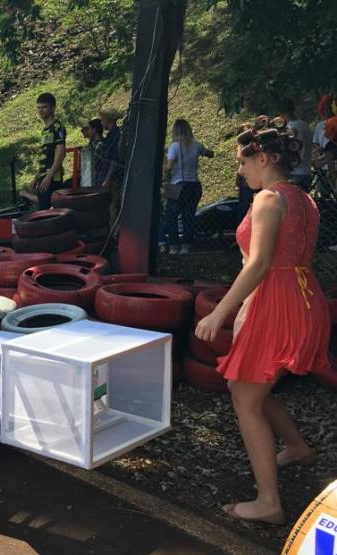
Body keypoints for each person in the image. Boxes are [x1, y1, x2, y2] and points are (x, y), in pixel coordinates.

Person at [195, 118, 330, 525]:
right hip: (305, 300)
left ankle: (269, 502)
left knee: (244, 399)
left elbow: (258, 265)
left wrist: (221, 312)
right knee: (247, 386)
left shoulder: (268, 199)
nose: (240, 170)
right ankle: (297, 447)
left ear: (266, 158)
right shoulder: (304, 199)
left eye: (243, 162)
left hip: (278, 304)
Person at [160, 118, 214, 255]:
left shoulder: (174, 147)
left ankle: (173, 246)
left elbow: (170, 166)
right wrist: (206, 153)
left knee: (171, 216)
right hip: (194, 185)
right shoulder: (196, 145)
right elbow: (209, 153)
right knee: (188, 216)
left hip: (178, 184)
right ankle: (186, 245)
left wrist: (164, 166)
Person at [22, 93, 67, 209]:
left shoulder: (57, 127)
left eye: (44, 107)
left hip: (53, 177)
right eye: (38, 107)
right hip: (43, 176)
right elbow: (45, 157)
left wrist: (49, 176)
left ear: (53, 108)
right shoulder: (45, 131)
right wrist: (36, 178)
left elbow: (60, 153)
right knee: (43, 206)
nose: (40, 110)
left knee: (48, 209)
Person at [277, 98, 313, 190]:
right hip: (307, 171)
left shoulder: (289, 128)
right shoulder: (305, 125)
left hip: (294, 173)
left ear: (280, 114)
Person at [82, 118, 112, 188]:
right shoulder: (93, 144)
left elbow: (95, 164)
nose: (84, 131)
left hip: (98, 180)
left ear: (95, 130)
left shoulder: (100, 145)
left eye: (87, 129)